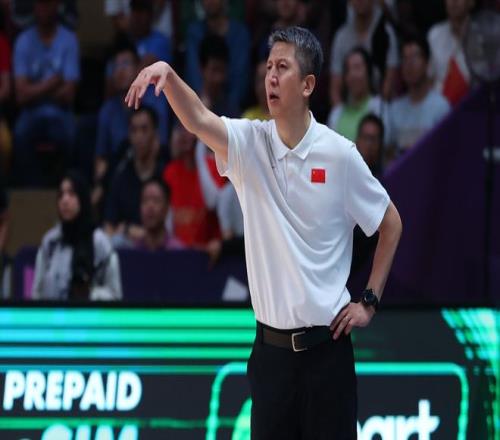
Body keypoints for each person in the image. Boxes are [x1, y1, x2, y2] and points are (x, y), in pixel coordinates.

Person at [126, 26, 402, 438]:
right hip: (271, 357)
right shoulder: (249, 143)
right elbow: (198, 119)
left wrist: (369, 301)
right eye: (269, 67)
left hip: (327, 354)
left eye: (282, 67)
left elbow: (390, 223)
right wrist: (168, 75)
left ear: (308, 85)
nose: (270, 76)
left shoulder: (340, 154)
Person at [93, 41, 169, 209]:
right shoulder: (107, 110)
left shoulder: (155, 100)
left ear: (138, 69)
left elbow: (161, 147)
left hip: (151, 172)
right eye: (116, 65)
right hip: (120, 174)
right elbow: (101, 157)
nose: (120, 70)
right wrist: (101, 184)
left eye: (126, 64)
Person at [12, 0, 80, 186]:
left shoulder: (69, 40)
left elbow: (69, 94)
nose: (43, 9)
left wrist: (34, 89)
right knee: (20, 134)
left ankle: (66, 187)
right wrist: (52, 83)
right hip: (30, 112)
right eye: (40, 4)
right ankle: (31, 191)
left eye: (48, 4)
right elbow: (21, 96)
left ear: (57, 6)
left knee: (71, 135)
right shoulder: (24, 41)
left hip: (61, 112)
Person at [32, 171, 122, 301]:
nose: (65, 200)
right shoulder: (50, 242)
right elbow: (37, 293)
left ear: (82, 198)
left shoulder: (100, 242)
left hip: (90, 313)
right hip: (53, 313)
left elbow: (115, 296)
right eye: (61, 195)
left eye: (71, 193)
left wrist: (90, 294)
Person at [104, 106, 164, 247]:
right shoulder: (121, 176)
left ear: (155, 133)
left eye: (144, 129)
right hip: (128, 249)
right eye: (134, 130)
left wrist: (132, 231)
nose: (139, 137)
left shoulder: (165, 173)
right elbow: (109, 226)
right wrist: (124, 231)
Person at [162, 122, 223, 248]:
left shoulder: (214, 166)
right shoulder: (170, 171)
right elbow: (168, 219)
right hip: (179, 250)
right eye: (180, 129)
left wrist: (200, 152)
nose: (184, 134)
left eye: (188, 128)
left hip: (208, 251)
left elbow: (212, 203)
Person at [329, 0, 399, 107]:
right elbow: (335, 89)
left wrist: (375, 112)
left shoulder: (386, 33)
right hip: (350, 108)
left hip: (380, 107)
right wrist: (340, 114)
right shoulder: (341, 37)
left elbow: (390, 83)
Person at [388, 36, 450, 155]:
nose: (409, 64)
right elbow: (389, 153)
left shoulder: (441, 107)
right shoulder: (394, 109)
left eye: (414, 57)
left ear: (427, 63)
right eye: (405, 59)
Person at [184, 0, 250, 107]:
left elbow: (239, 81)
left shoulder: (240, 34)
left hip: (232, 107)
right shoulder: (194, 32)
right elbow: (193, 74)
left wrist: (229, 109)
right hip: (199, 103)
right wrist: (202, 105)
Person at [327, 47, 387, 142]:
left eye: (357, 68)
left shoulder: (380, 107)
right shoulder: (336, 113)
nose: (352, 74)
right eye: (348, 70)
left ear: (369, 73)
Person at [427, 0, 473, 106]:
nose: (454, 1)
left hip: (472, 105)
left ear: (471, 2)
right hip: (441, 109)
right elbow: (430, 78)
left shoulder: (482, 35)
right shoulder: (434, 34)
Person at [135, 177, 184, 251]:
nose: (150, 207)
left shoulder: (177, 251)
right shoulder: (134, 251)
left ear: (167, 208)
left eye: (156, 201)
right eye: (145, 200)